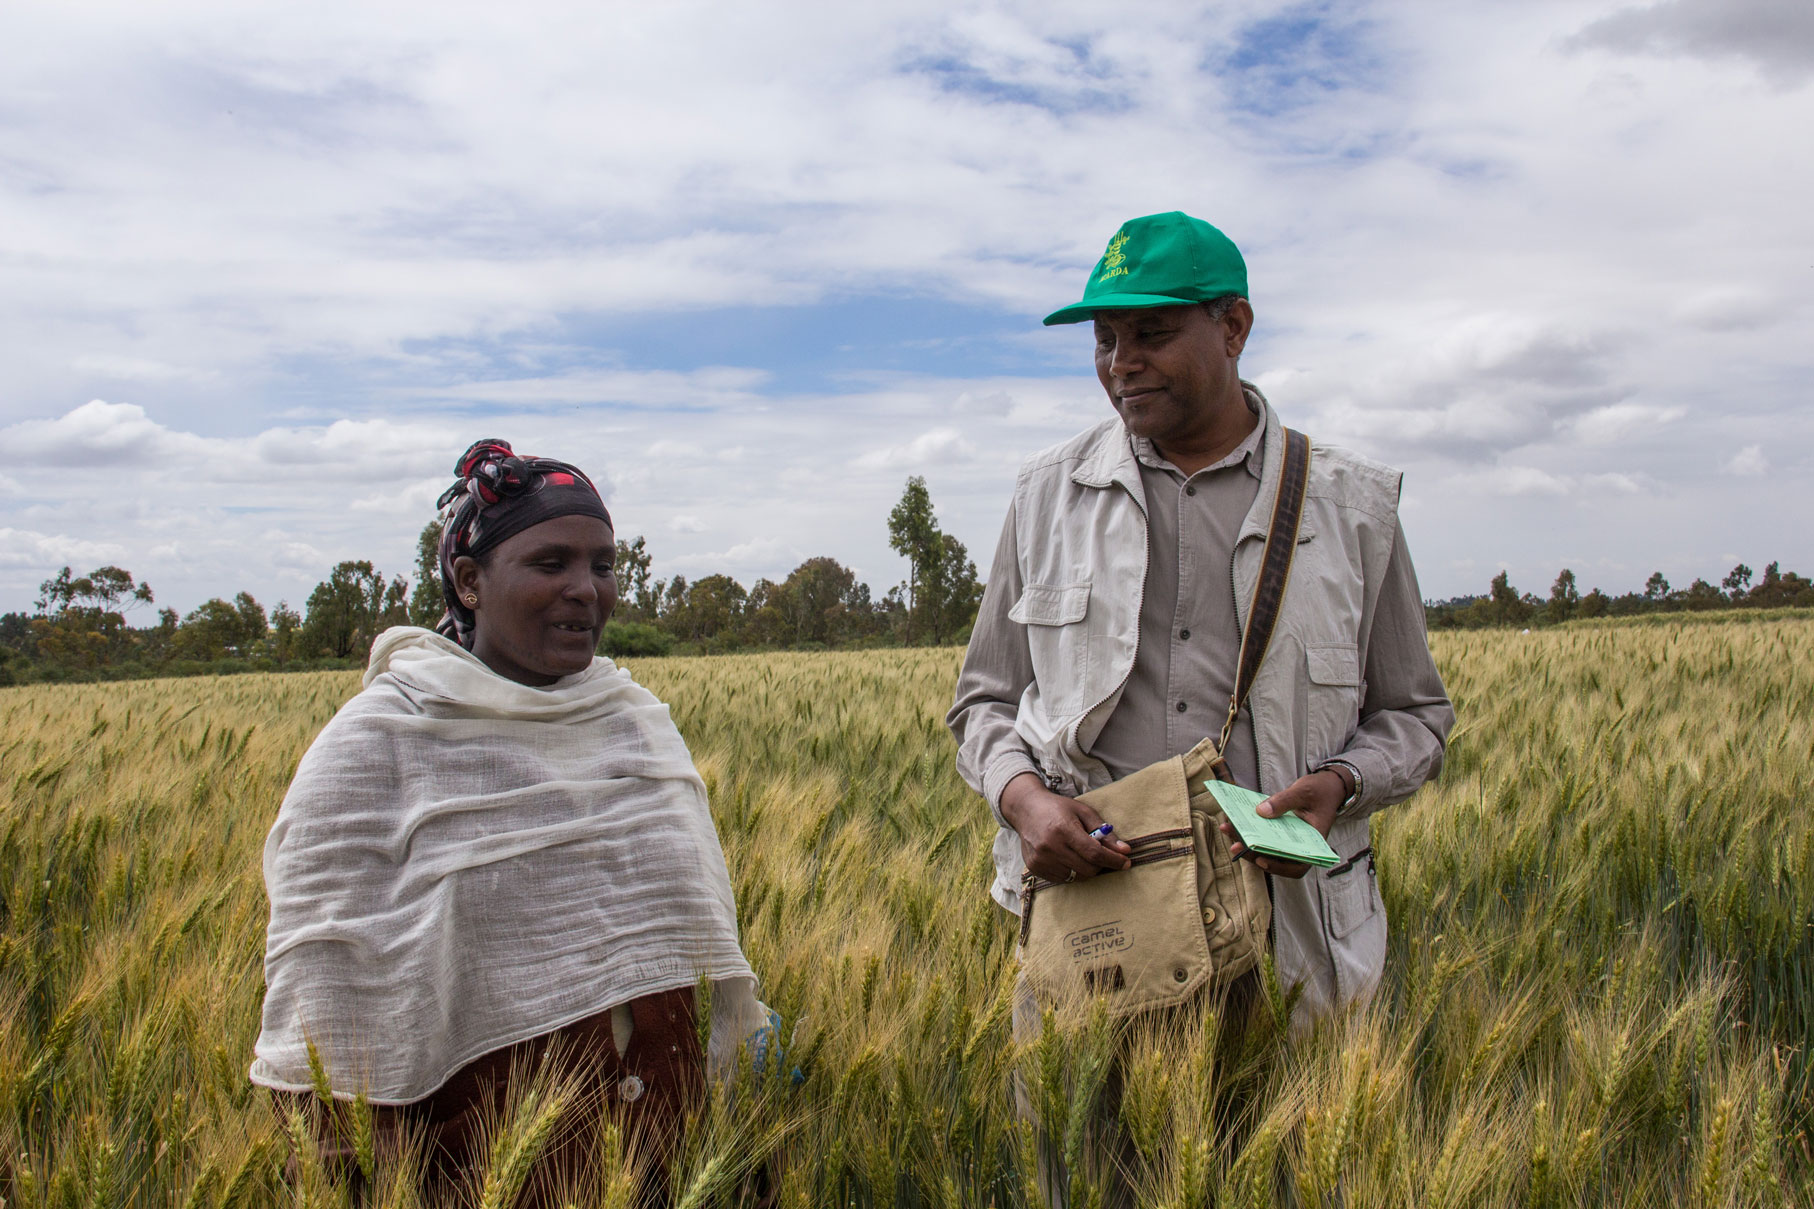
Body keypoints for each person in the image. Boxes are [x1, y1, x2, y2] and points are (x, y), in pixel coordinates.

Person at [947, 212, 1454, 1199]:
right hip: (1098, 929)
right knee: (1088, 1178)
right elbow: (981, 702)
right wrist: (1022, 801)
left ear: (1233, 327)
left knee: (1289, 1177)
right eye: (1102, 340)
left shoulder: (1349, 507)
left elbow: (1414, 714)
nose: (1119, 362)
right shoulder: (1044, 495)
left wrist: (1343, 784)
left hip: (1288, 929)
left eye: (1150, 333)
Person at [252, 439, 767, 1204]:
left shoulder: (635, 724)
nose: (585, 589)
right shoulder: (375, 748)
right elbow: (327, 1014)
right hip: (491, 1172)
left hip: (669, 1156)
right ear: (469, 580)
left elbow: (695, 958)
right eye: (550, 563)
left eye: (602, 565)